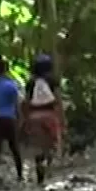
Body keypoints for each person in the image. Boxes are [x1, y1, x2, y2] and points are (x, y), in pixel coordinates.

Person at [21, 54, 64, 184]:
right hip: (50, 114)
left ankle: (40, 171)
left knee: (38, 146)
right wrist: (62, 118)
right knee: (51, 144)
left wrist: (25, 119)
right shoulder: (52, 80)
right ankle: (48, 166)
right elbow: (58, 100)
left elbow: (26, 101)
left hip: (34, 115)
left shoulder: (31, 82)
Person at [0, 57, 25, 181]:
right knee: (15, 147)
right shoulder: (11, 85)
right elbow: (17, 104)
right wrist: (20, 119)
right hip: (9, 118)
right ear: (6, 70)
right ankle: (20, 174)